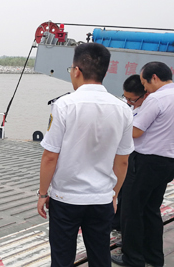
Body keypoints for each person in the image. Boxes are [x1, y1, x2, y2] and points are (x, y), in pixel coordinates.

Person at [37, 43, 134, 266]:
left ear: (77, 70)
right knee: (100, 256)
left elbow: (50, 156)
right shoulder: (123, 109)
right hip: (101, 198)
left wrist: (43, 194)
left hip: (65, 198)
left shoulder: (64, 105)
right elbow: (123, 160)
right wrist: (114, 194)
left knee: (62, 257)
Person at [113, 62, 174, 267]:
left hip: (146, 162)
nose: (144, 88)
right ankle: (154, 257)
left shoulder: (157, 98)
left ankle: (133, 259)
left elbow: (136, 131)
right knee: (150, 210)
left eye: (144, 83)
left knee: (131, 211)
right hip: (167, 162)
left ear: (154, 78)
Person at [113, 74, 149, 232]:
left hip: (137, 158)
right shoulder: (130, 107)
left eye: (132, 99)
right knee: (122, 193)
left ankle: (126, 234)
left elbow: (135, 132)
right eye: (125, 97)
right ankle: (116, 223)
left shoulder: (148, 109)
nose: (128, 102)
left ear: (145, 95)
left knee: (130, 199)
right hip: (126, 154)